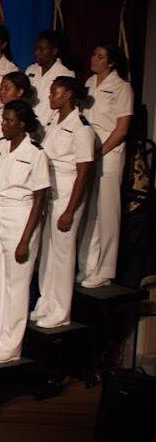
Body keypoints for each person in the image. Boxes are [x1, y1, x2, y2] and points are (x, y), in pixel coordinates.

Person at [0, 100, 49, 363]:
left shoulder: (36, 153)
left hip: (20, 215)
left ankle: (11, 346)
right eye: (2, 120)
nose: (3, 125)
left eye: (9, 121)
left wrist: (25, 239)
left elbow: (39, 199)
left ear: (22, 123)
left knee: (17, 286)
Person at [33, 77, 93, 328]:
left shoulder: (81, 127)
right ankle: (46, 302)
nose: (50, 96)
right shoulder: (52, 120)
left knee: (63, 253)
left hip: (68, 192)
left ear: (68, 94)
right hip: (50, 190)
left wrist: (70, 210)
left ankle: (61, 309)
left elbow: (84, 172)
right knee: (48, 251)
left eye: (54, 92)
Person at [78, 44, 131, 288]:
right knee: (89, 211)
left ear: (111, 63)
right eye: (93, 54)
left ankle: (106, 269)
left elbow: (121, 130)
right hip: (87, 153)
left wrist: (99, 152)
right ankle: (88, 266)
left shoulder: (121, 88)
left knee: (107, 213)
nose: (94, 59)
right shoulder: (88, 83)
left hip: (108, 155)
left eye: (100, 57)